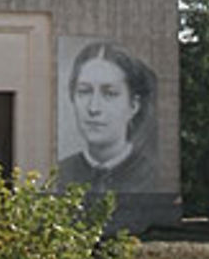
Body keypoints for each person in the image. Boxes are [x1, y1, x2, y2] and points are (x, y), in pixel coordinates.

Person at [56, 41, 155, 199]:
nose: (93, 108)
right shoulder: (60, 173)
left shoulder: (151, 174)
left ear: (133, 106)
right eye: (84, 92)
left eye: (110, 94)